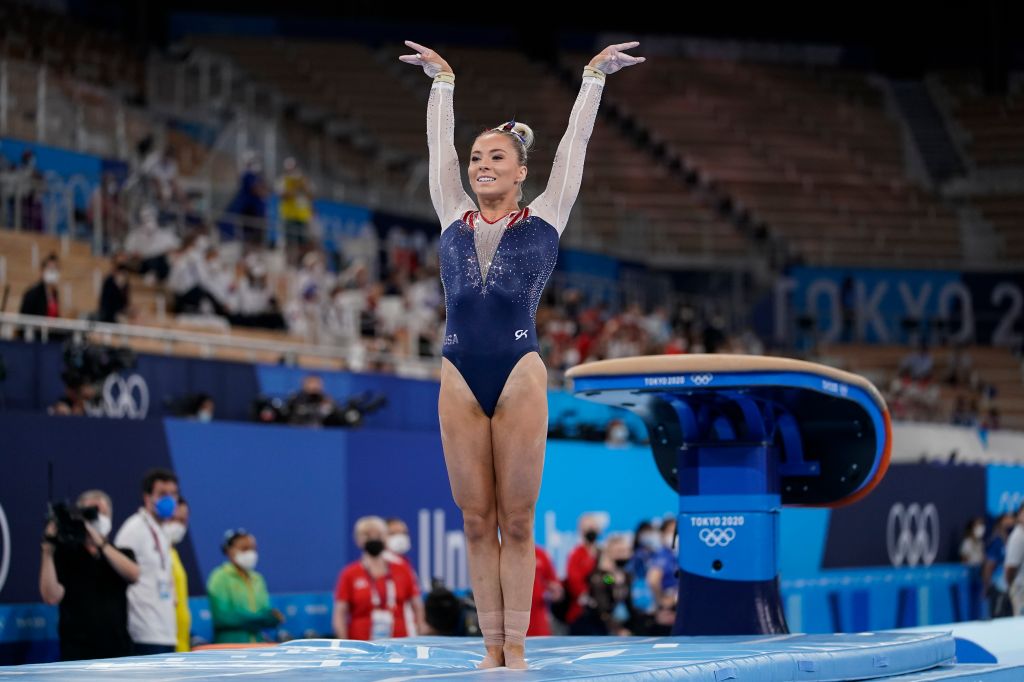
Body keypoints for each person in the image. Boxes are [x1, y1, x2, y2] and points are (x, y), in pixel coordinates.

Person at [399, 38, 644, 669]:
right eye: (477, 157)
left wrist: (593, 79)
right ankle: (490, 649)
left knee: (517, 519)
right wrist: (442, 85)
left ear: (520, 173)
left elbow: (574, 148)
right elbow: (437, 151)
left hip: (519, 374)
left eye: (496, 157)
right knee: (475, 521)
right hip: (457, 374)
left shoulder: (547, 215)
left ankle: (516, 648)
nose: (482, 165)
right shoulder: (451, 212)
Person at [39, 490, 140, 661]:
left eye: (101, 513)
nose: (96, 519)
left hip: (119, 653)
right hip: (77, 655)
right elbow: (51, 597)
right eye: (91, 513)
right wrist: (48, 551)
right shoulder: (66, 555)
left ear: (110, 516)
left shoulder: (122, 553)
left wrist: (101, 544)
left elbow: (134, 574)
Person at [113, 469, 180, 654]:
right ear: (147, 497)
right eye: (162, 494)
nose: (170, 500)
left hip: (166, 631)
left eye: (173, 494)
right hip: (142, 632)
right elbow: (117, 577)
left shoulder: (163, 531)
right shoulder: (133, 529)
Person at [332, 516, 422, 640]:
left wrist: (419, 635)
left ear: (385, 537)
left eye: (378, 534)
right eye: (367, 535)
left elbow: (417, 606)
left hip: (399, 643)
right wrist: (345, 644)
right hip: (361, 645)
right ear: (358, 540)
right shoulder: (350, 574)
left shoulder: (403, 569)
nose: (374, 539)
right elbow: (340, 614)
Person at [206, 529, 283, 643]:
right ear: (229, 550)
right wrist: (261, 619)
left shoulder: (257, 579)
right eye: (244, 548)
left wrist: (272, 618)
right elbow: (222, 617)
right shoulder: (219, 577)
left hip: (257, 645)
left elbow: (265, 611)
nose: (250, 553)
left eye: (253, 549)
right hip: (230, 646)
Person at [564, 514, 603, 628]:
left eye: (593, 528)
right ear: (580, 531)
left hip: (603, 610)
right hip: (581, 611)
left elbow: (610, 579)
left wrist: (605, 581)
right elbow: (574, 581)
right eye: (587, 529)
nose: (591, 532)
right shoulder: (576, 555)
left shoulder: (603, 554)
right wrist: (587, 596)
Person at [165, 498, 191, 652]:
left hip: (181, 644)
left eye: (183, 521)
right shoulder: (157, 553)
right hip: (165, 642)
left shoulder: (174, 553)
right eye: (174, 519)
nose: (178, 525)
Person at [527, 545, 561, 636]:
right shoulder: (505, 554)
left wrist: (555, 591)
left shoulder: (541, 554)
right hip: (512, 613)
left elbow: (553, 582)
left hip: (538, 614)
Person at [20, 253, 61, 318]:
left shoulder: (55, 293)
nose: (52, 272)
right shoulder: (32, 294)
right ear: (42, 271)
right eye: (50, 269)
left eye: (55, 269)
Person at [97, 253, 133, 323]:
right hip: (108, 316)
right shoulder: (109, 280)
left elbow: (125, 301)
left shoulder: (125, 281)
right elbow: (105, 302)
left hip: (119, 314)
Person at [1004, 503, 1024, 616]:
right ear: (1019, 515)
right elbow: (1010, 568)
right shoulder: (1018, 536)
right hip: (1021, 590)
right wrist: (1011, 586)